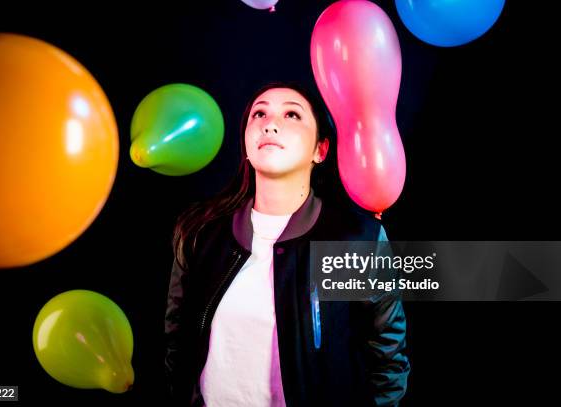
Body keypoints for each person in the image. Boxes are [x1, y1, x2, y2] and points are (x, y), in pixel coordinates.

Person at [164, 82, 410, 407]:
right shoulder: (199, 231)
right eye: (259, 113)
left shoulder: (358, 240)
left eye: (292, 114)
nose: (270, 123)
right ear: (247, 142)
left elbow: (389, 359)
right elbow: (176, 340)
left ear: (319, 150)